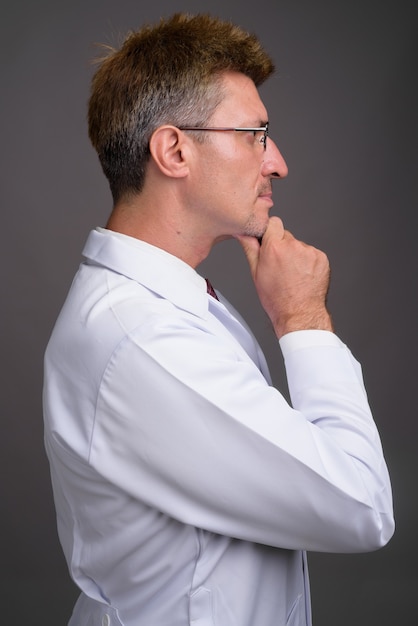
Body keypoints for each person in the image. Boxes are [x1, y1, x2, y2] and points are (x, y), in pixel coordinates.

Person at [43, 12, 394, 626]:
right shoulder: (144, 340)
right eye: (256, 134)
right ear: (175, 149)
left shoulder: (171, 304)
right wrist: (303, 318)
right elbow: (361, 507)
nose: (277, 162)